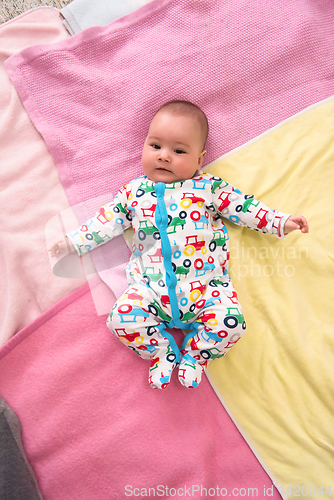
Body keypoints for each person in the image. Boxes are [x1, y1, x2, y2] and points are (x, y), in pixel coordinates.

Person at [49, 100, 309, 389]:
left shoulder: (208, 188)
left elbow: (243, 208)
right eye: (155, 146)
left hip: (206, 289)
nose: (164, 157)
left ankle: (195, 356)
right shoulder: (133, 193)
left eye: (179, 151)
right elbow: (105, 221)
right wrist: (74, 242)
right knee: (121, 319)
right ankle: (161, 353)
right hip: (149, 290)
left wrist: (279, 222)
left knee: (231, 323)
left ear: (199, 160)